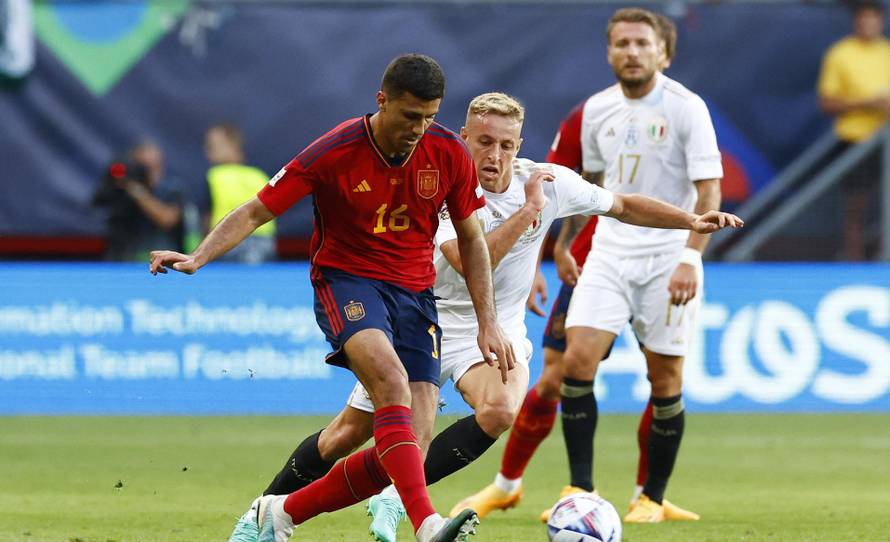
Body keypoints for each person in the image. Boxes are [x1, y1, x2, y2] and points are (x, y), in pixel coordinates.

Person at [233, 91, 741, 542]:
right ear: (463, 137)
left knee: (499, 410)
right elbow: (473, 257)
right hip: (420, 316)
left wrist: (689, 220)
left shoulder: (545, 181)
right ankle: (263, 511)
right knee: (346, 435)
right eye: (485, 142)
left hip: (494, 326)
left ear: (519, 146)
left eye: (507, 145)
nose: (495, 155)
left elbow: (623, 203)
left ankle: (397, 499)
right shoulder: (436, 181)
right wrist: (527, 214)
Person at [150, 54, 517, 542]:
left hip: (415, 292)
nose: (419, 128)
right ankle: (426, 524)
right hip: (349, 282)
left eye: (430, 117)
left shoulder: (447, 152)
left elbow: (472, 240)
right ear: (381, 100)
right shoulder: (335, 149)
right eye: (410, 116)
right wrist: (199, 257)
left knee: (411, 437)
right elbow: (258, 209)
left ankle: (280, 512)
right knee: (391, 384)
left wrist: (486, 322)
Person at [458, 11, 692, 525]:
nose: (631, 52)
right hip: (595, 259)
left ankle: (648, 495)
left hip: (663, 257)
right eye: (621, 43)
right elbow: (556, 183)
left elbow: (703, 184)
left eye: (641, 43)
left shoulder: (686, 110)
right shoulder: (590, 114)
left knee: (664, 375)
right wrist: (545, 256)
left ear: (664, 53)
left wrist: (693, 247)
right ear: (608, 51)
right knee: (554, 377)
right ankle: (510, 486)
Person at [817, 0, 890, 260]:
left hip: (886, 142)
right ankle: (853, 261)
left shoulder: (887, 52)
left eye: (874, 18)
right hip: (855, 141)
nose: (868, 23)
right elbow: (827, 101)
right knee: (856, 208)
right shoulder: (841, 53)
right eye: (864, 18)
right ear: (856, 21)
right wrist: (868, 103)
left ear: (881, 21)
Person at [92, 139, 184, 261]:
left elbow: (167, 219)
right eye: (141, 165)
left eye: (151, 166)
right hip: (125, 254)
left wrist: (138, 193)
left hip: (161, 256)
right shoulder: (125, 187)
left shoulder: (172, 188)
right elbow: (97, 202)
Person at [203, 122, 277, 263]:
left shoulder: (214, 176)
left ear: (233, 145)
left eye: (212, 146)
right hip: (265, 243)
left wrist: (203, 249)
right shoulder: (259, 175)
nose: (207, 151)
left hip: (226, 241)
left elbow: (207, 217)